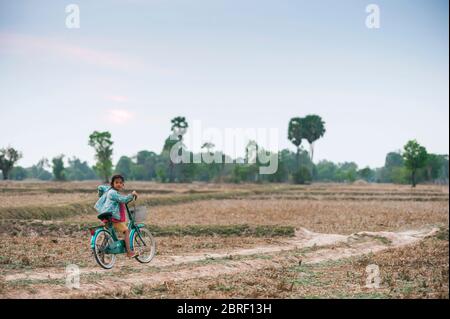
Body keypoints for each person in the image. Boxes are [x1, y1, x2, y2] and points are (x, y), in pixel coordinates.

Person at [95, 175, 138, 258]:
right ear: (112, 184)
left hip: (105, 215)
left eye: (121, 183)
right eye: (116, 182)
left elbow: (100, 187)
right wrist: (132, 195)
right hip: (111, 216)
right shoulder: (113, 193)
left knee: (109, 234)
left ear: (123, 185)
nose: (119, 184)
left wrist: (101, 194)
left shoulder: (109, 190)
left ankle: (102, 256)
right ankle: (129, 252)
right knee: (126, 231)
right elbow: (124, 200)